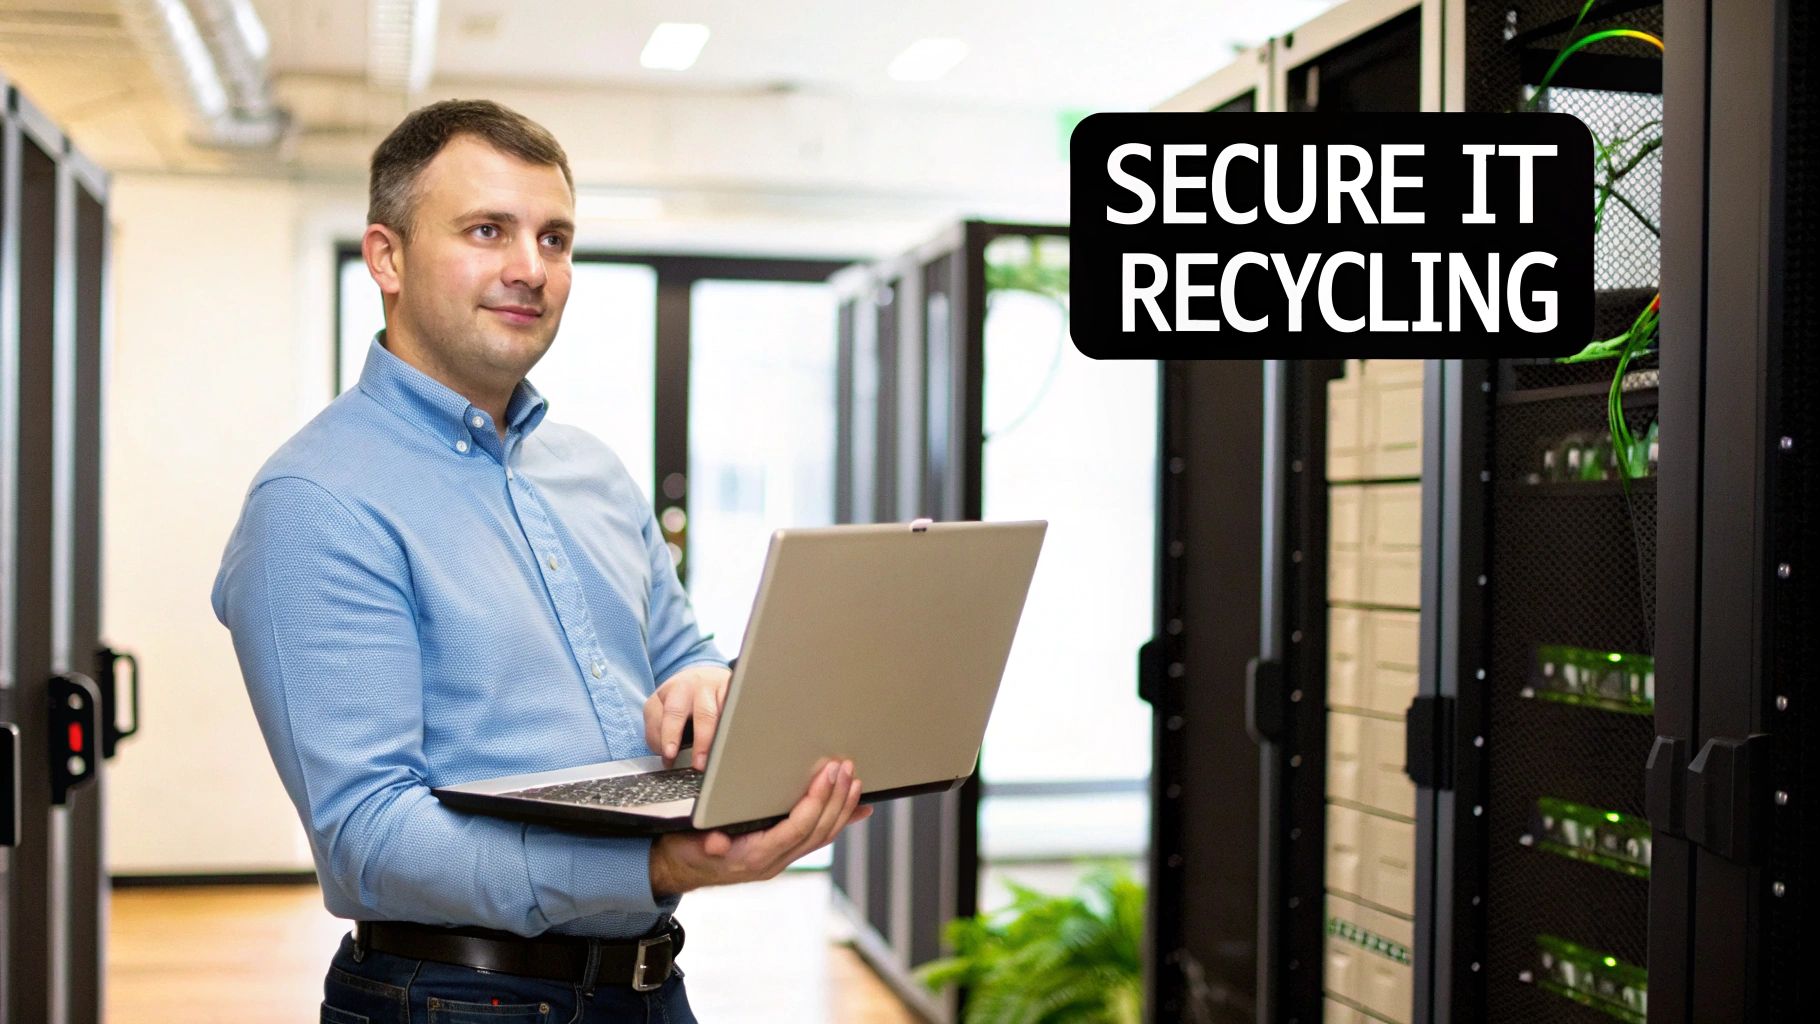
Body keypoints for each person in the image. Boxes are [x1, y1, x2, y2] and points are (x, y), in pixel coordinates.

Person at [212, 98, 870, 1023]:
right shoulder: (315, 503)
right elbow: (367, 835)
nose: (531, 269)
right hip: (450, 999)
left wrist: (702, 685)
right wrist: (655, 862)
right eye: (489, 231)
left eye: (555, 239)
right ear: (386, 257)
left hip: (646, 985)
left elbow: (686, 649)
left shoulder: (591, 469)